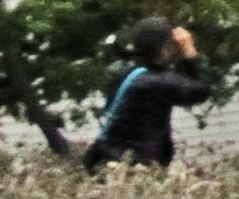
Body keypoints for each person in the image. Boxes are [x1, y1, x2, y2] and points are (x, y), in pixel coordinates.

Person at [88, 18, 208, 169]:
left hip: (108, 158)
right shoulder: (153, 82)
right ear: (162, 48)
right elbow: (200, 91)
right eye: (170, 45)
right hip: (133, 165)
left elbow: (176, 79)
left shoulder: (126, 73)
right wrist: (189, 52)